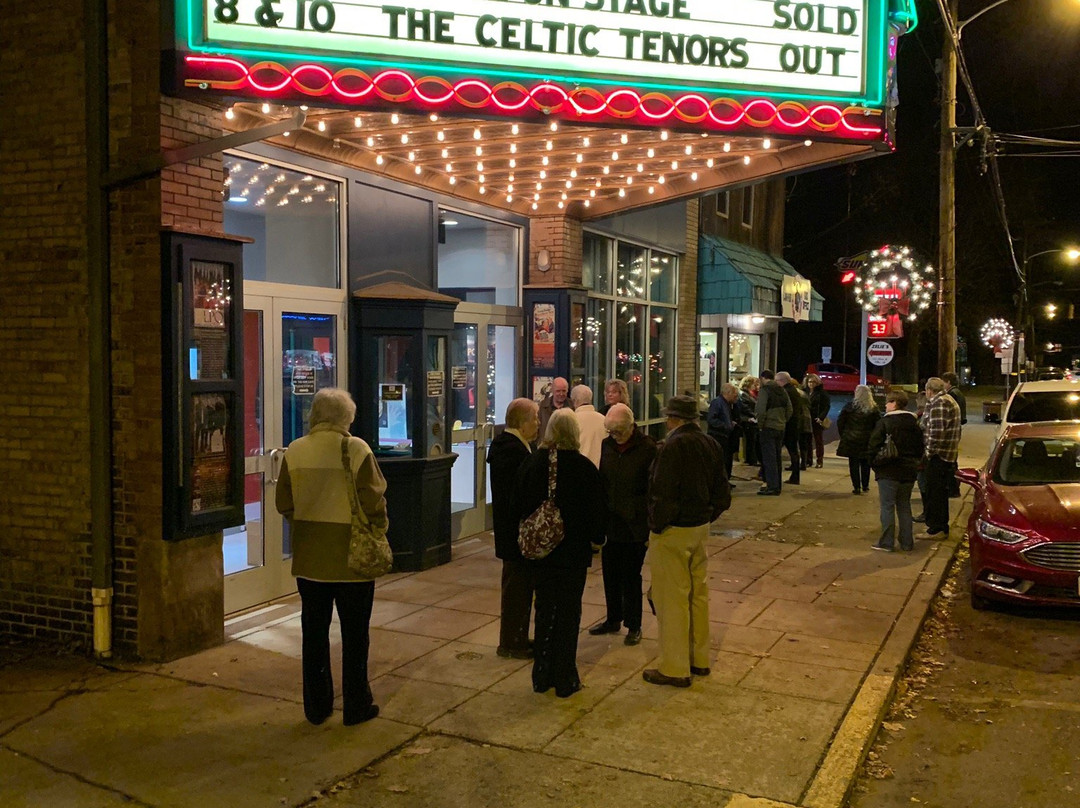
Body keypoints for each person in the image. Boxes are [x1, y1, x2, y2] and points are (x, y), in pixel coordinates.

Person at [275, 388, 387, 726]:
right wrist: (379, 528)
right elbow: (374, 501)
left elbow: (284, 502)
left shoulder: (294, 451)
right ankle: (356, 705)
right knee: (355, 635)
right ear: (344, 418)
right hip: (351, 560)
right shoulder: (356, 449)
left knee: (313, 633)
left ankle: (317, 706)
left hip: (310, 560)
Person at [516, 409, 605, 698]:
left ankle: (541, 674)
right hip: (572, 555)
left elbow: (517, 505)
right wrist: (596, 540)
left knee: (544, 609)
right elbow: (596, 513)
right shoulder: (584, 468)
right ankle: (564, 676)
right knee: (568, 613)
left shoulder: (532, 463)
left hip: (541, 554)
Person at [642, 396, 730, 688]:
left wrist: (657, 524)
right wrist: (707, 515)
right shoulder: (710, 444)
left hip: (674, 531)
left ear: (672, 419)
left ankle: (674, 666)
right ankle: (698, 658)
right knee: (697, 594)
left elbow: (661, 492)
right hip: (699, 527)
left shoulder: (671, 447)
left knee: (672, 600)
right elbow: (722, 492)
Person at [589, 404, 657, 646]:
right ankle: (613, 618)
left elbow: (652, 488)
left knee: (631, 576)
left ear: (630, 427)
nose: (614, 436)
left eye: (618, 432)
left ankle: (634, 624)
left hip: (635, 524)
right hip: (611, 521)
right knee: (610, 573)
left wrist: (648, 522)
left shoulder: (647, 448)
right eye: (611, 432)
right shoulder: (607, 445)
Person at [486, 397, 540, 660]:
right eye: (535, 418)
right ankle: (512, 642)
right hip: (515, 533)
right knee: (517, 589)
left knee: (518, 588)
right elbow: (519, 494)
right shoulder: (512, 451)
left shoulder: (511, 447)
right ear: (522, 422)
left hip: (513, 531)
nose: (539, 424)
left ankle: (517, 636)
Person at [867, 390, 925, 552]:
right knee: (904, 506)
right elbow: (920, 447)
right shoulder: (914, 424)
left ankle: (886, 542)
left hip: (888, 470)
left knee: (887, 506)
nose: (885, 405)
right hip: (908, 470)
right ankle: (907, 542)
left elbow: (873, 445)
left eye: (888, 402)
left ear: (894, 403)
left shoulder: (885, 423)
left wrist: (874, 464)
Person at [918, 377, 962, 539]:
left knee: (935, 493)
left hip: (939, 456)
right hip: (946, 455)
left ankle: (936, 528)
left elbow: (936, 432)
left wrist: (928, 454)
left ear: (929, 390)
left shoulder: (940, 403)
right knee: (939, 493)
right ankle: (938, 526)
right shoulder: (946, 400)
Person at [837, 384, 881, 495]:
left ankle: (856, 486)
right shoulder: (873, 409)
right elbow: (878, 425)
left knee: (853, 464)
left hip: (851, 439)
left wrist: (844, 434)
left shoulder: (849, 406)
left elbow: (840, 422)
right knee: (865, 463)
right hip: (867, 439)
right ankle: (865, 485)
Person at [755, 370, 792, 496]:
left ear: (762, 378)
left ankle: (772, 486)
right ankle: (777, 485)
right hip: (780, 427)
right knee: (777, 457)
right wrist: (783, 421)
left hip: (768, 427)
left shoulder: (765, 390)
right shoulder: (782, 390)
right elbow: (789, 409)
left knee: (769, 458)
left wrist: (760, 425)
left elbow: (760, 410)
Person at [775, 372, 805, 485]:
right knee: (793, 451)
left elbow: (787, 410)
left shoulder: (785, 392)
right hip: (794, 424)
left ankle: (792, 476)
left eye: (776, 381)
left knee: (780, 450)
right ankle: (795, 475)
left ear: (782, 381)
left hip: (788, 425)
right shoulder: (794, 391)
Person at [706, 383, 740, 481]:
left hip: (726, 436)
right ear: (728, 393)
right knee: (722, 460)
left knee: (727, 460)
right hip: (719, 436)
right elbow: (711, 419)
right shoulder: (717, 403)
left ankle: (725, 481)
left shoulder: (728, 404)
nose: (736, 396)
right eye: (734, 394)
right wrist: (726, 426)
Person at [570, 384, 607, 467]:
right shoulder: (604, 420)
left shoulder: (571, 421)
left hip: (579, 468)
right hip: (600, 470)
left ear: (574, 400)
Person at [537, 376, 575, 443]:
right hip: (546, 447)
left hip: (566, 447)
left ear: (567, 391)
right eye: (558, 391)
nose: (561, 394)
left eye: (564, 391)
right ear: (552, 390)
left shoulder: (573, 406)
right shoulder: (542, 406)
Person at [806, 373, 831, 468]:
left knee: (818, 440)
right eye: (809, 382)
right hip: (808, 418)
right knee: (808, 440)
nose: (811, 384)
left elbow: (826, 406)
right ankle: (808, 460)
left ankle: (819, 460)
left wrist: (821, 417)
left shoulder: (822, 393)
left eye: (813, 382)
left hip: (817, 419)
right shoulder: (806, 392)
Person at [736, 376, 760, 466]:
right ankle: (751, 459)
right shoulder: (743, 394)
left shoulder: (748, 394)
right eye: (754, 384)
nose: (755, 386)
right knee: (751, 440)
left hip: (751, 418)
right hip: (748, 420)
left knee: (753, 440)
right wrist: (754, 415)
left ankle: (753, 458)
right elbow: (745, 407)